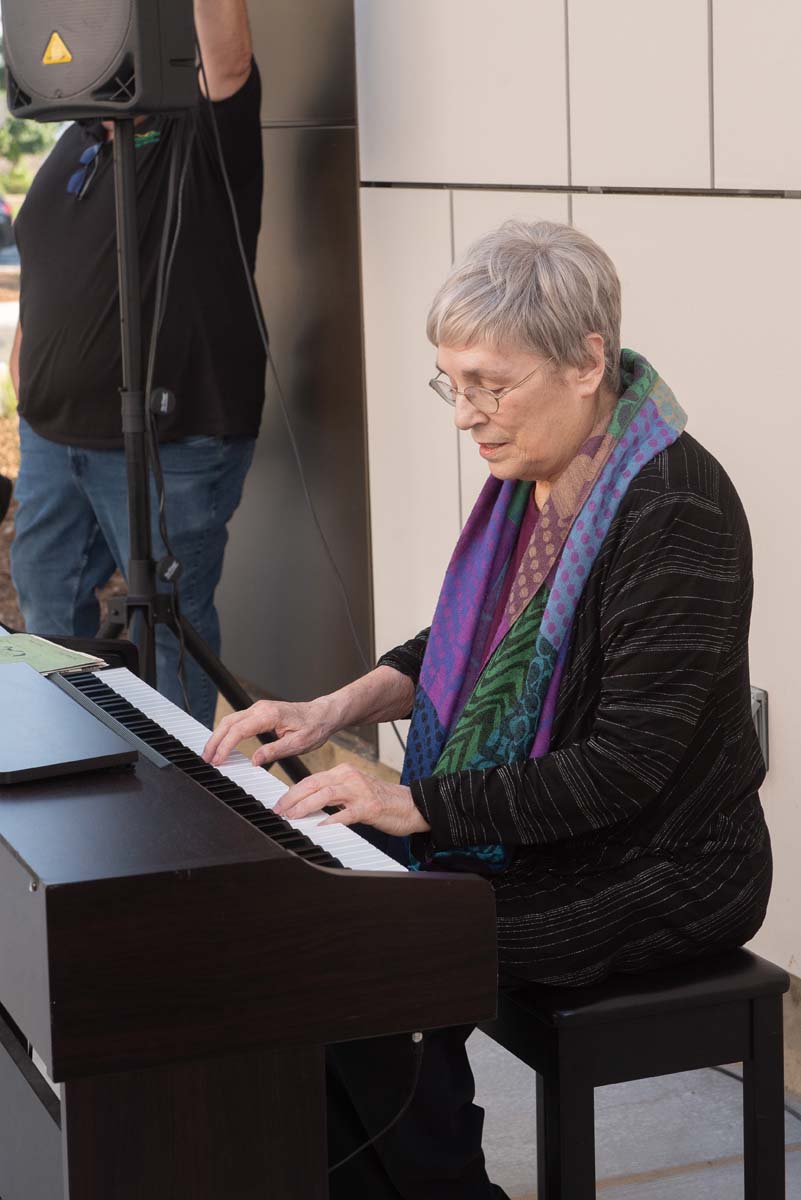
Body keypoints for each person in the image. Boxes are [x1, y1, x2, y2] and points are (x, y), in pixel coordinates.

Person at [203, 220, 772, 1198]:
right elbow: (459, 649)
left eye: (489, 384)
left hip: (665, 864)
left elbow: (622, 769)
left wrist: (417, 804)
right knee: (300, 925)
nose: (467, 414)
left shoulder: (674, 506)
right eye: (452, 384)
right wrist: (328, 708)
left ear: (587, 361)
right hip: (564, 836)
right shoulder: (545, 486)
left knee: (376, 948)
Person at [9, 0, 264, 729]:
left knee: (170, 630)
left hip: (171, 441)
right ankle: (65, 750)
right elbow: (48, 265)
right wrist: (27, 372)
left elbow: (228, 52)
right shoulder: (77, 137)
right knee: (49, 605)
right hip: (53, 437)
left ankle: (184, 802)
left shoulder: (203, 125)